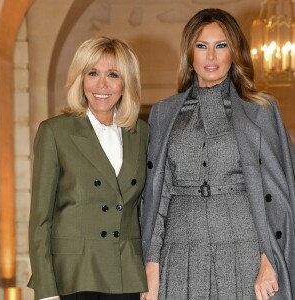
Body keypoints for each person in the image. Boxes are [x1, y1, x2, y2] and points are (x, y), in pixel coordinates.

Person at [141, 8, 295, 300]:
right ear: (190, 53)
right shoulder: (164, 113)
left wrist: (269, 258)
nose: (211, 57)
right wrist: (152, 261)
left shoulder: (260, 112)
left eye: (221, 45)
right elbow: (159, 193)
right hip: (179, 250)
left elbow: (279, 194)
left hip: (245, 250)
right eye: (202, 46)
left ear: (234, 52)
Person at [28, 36, 148, 300]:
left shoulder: (141, 133)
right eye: (92, 73)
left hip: (125, 275)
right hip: (73, 276)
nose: (102, 84)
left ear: (126, 82)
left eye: (113, 74)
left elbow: (143, 212)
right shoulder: (55, 132)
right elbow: (40, 219)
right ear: (80, 80)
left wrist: (148, 276)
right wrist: (46, 291)